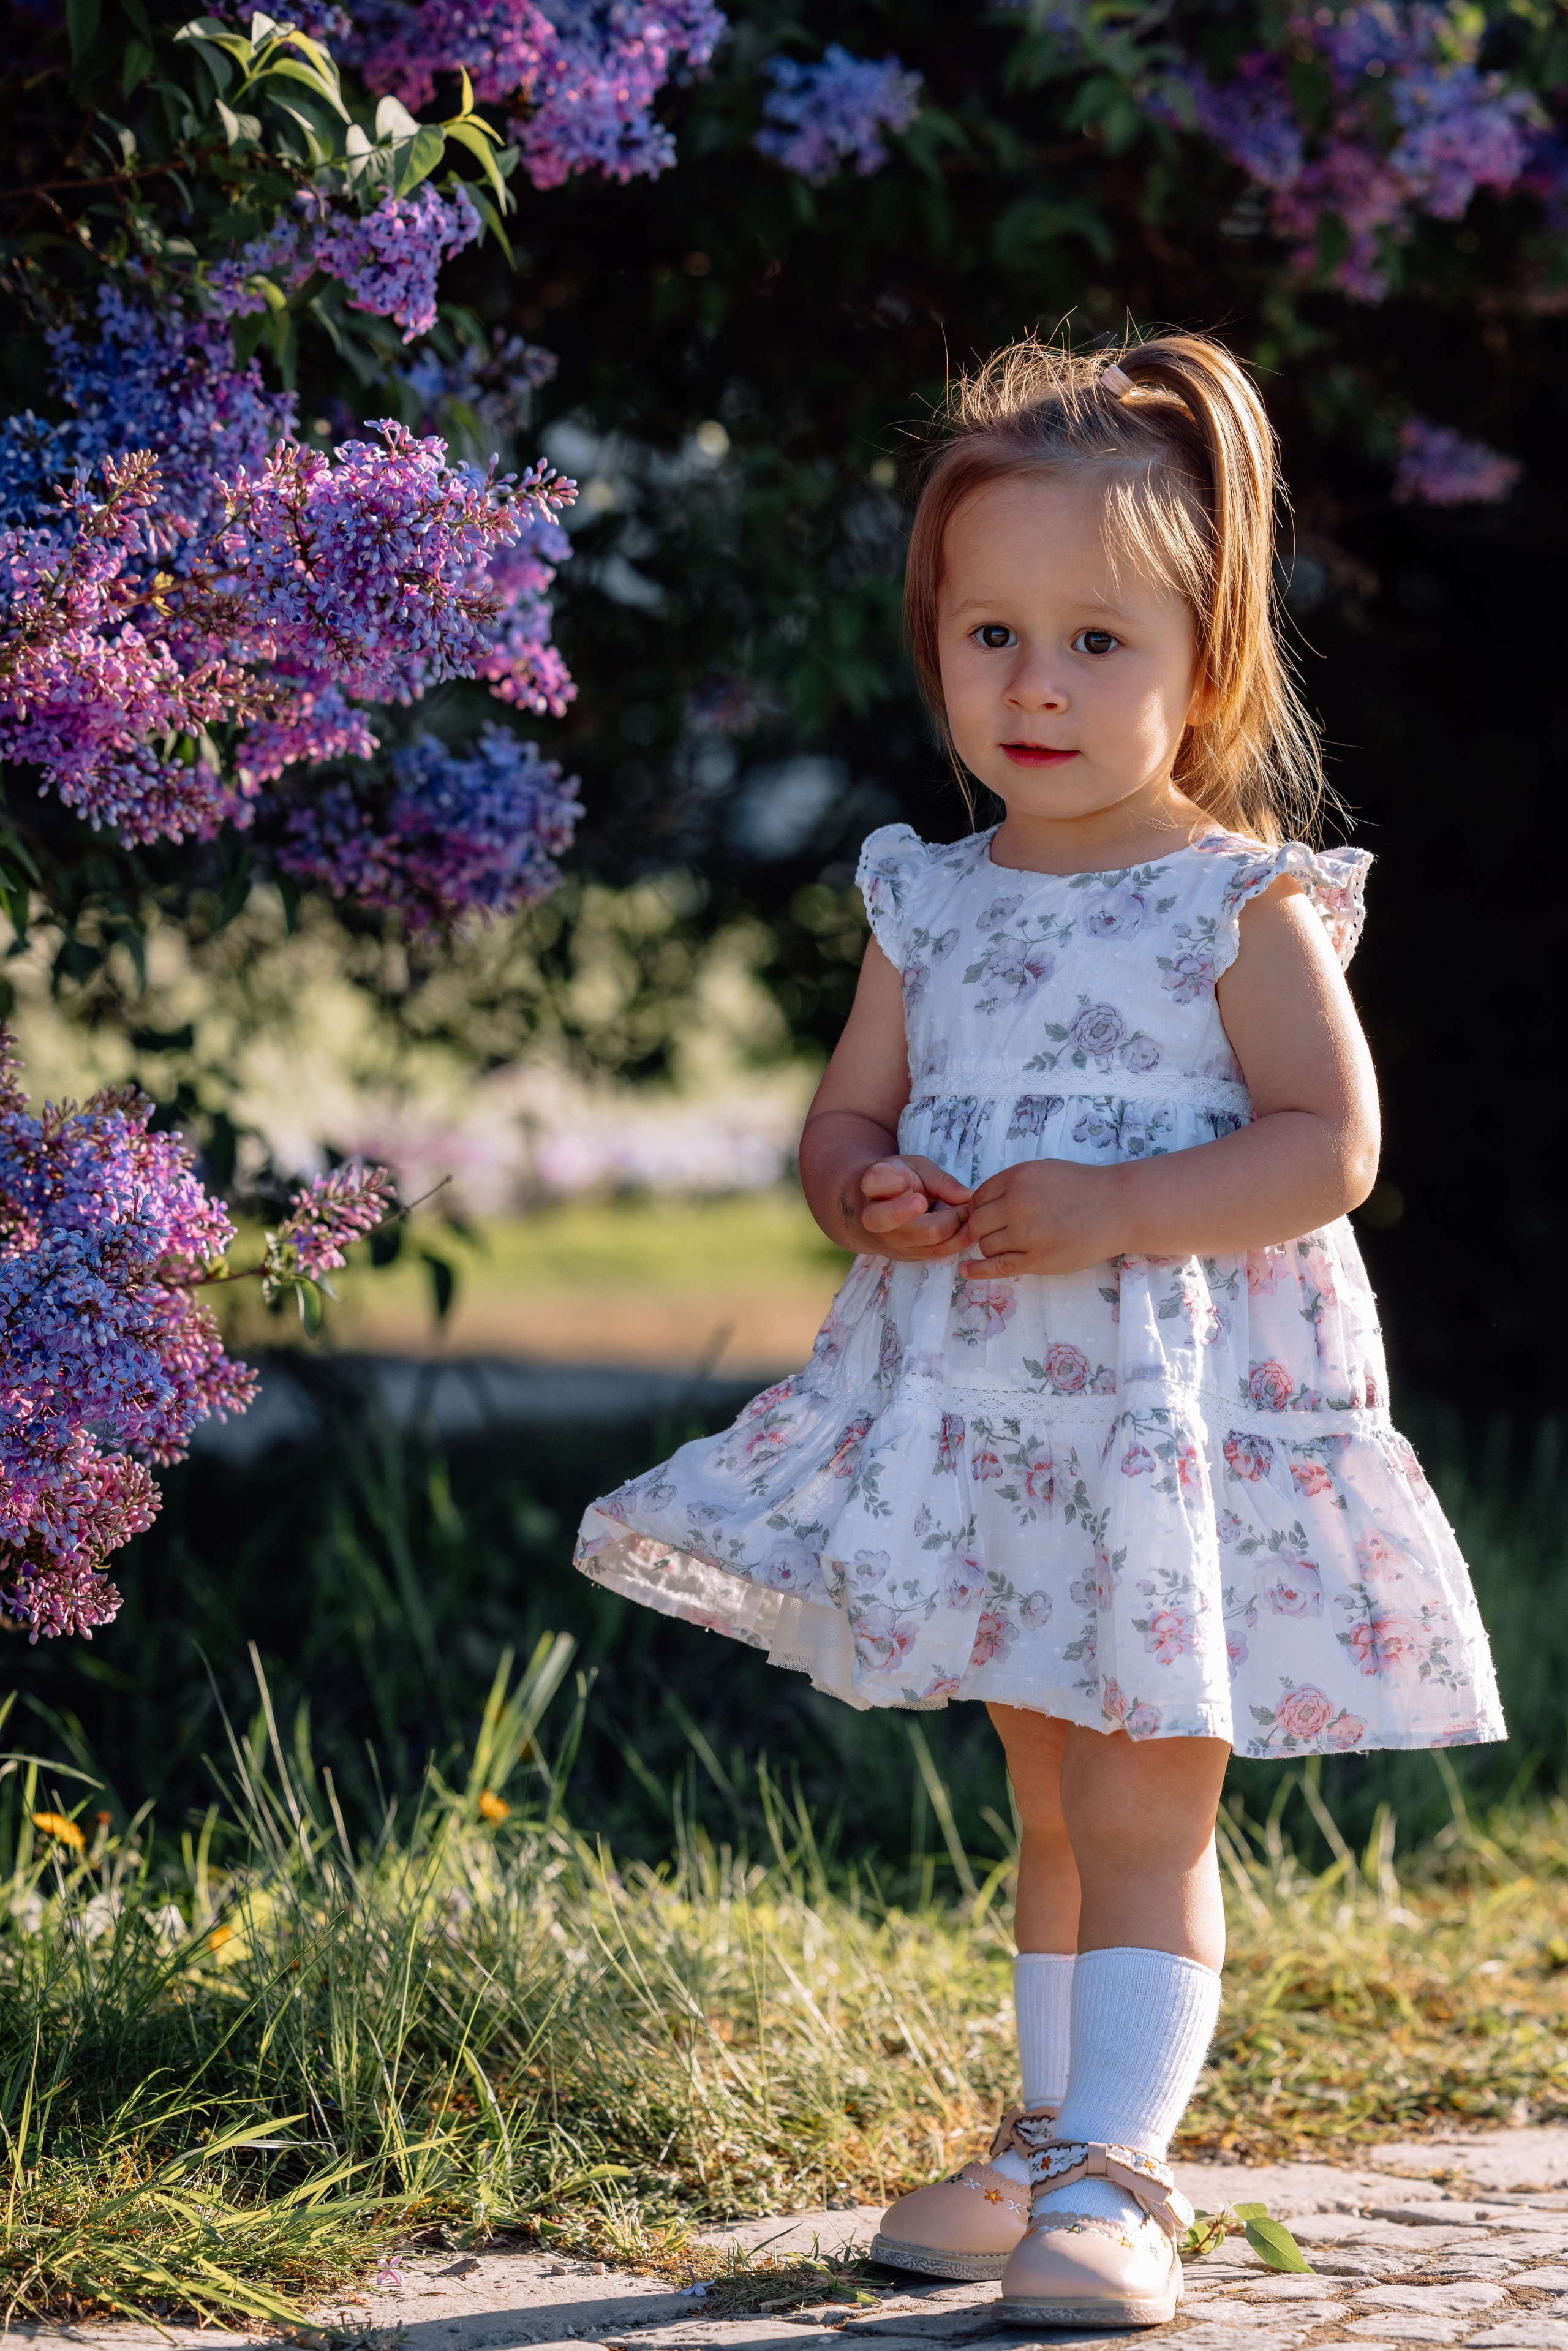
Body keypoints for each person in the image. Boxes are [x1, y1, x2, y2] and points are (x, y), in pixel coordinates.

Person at [573, 331, 1503, 2330]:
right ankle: (1043, 2133)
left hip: (1165, 1428)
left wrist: (1121, 1210)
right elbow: (848, 1115)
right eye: (992, 633)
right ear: (936, 646)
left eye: (1097, 640)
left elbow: (1327, 1148)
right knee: (1047, 1793)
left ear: (1208, 654)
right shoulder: (937, 895)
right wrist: (865, 1191)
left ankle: (1124, 2176)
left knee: (1148, 1792)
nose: (1038, 684)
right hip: (994, 1422)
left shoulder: (1232, 902)